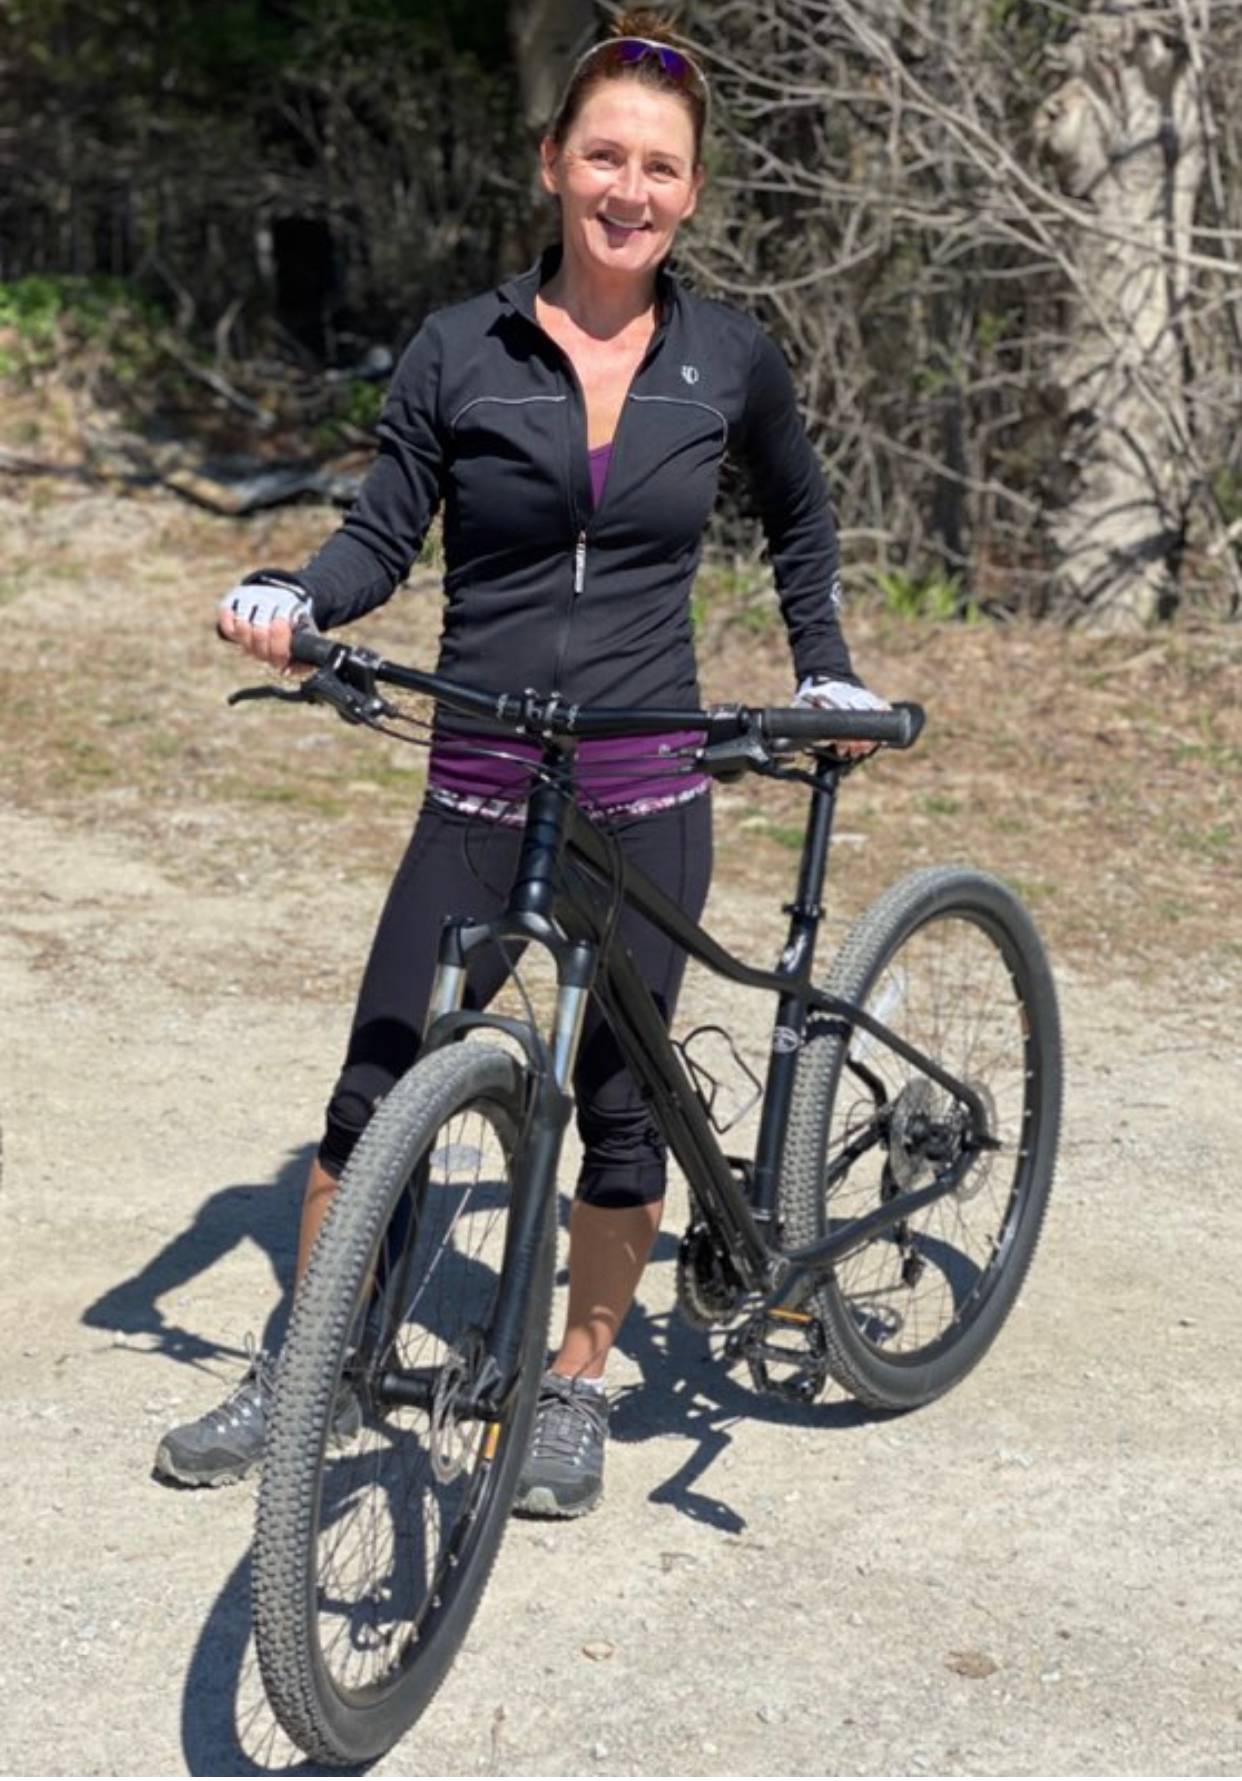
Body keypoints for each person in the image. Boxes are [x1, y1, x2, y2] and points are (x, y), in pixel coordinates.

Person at [155, 8, 885, 1513]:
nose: (629, 188)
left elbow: (800, 519)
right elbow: (380, 534)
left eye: (661, 168)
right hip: (482, 778)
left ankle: (572, 1380)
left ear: (689, 194)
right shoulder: (456, 350)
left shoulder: (727, 358)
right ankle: (311, 1371)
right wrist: (299, 595)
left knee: (620, 1109)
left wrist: (820, 662)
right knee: (375, 1085)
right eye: (604, 155)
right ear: (553, 165)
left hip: (644, 786)